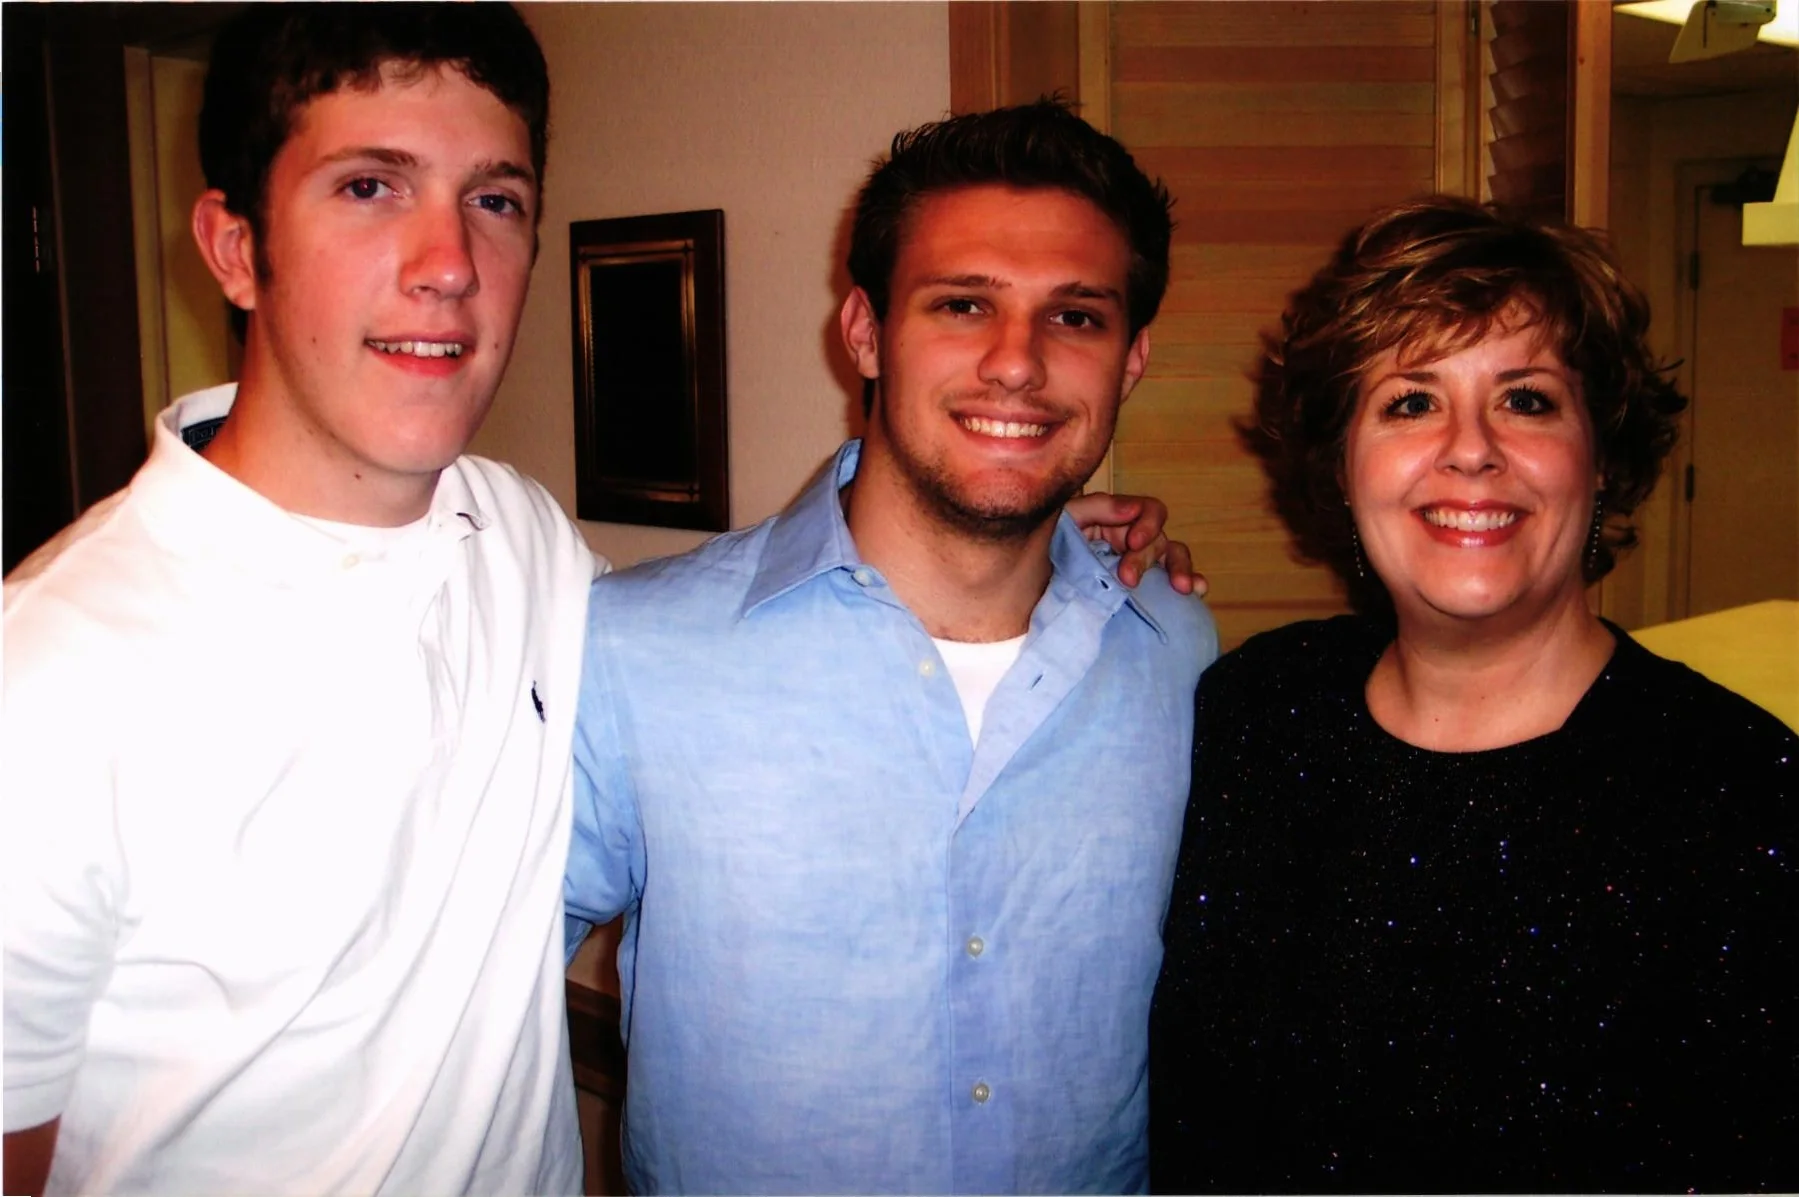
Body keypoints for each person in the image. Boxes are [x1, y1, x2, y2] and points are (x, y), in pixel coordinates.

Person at [1, 11, 1188, 1193]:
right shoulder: (48, 673)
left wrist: (1031, 517)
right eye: (368, 187)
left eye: (493, 199)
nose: (447, 262)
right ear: (232, 246)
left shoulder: (522, 547)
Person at [563, 99, 1218, 1195]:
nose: (1016, 364)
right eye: (962, 304)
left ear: (1132, 357)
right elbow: (460, 1000)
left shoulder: (1180, 650)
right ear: (864, 332)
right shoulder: (633, 652)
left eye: (1074, 316)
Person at [1148, 195, 1796, 1193]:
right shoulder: (1251, 713)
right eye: (1409, 403)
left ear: (1601, 455)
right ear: (1340, 463)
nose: (1469, 448)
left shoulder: (1742, 796)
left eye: (1525, 399)